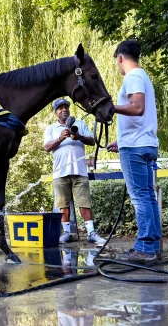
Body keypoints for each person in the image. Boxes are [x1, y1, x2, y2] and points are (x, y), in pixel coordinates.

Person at [107, 39, 160, 262]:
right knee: (147, 196)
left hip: (135, 148)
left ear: (120, 58)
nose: (118, 67)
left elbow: (137, 108)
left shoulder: (133, 77)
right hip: (144, 143)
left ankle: (145, 248)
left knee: (140, 198)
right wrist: (120, 140)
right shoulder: (143, 76)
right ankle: (152, 246)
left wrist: (109, 108)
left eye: (117, 62)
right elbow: (143, 115)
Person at [44, 98, 106, 245]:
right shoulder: (51, 129)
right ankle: (66, 233)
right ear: (56, 113)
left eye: (66, 107)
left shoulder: (80, 124)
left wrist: (79, 137)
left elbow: (92, 141)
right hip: (60, 173)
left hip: (79, 171)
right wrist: (60, 138)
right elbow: (47, 147)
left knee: (84, 203)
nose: (64, 110)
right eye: (60, 108)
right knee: (62, 205)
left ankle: (91, 232)